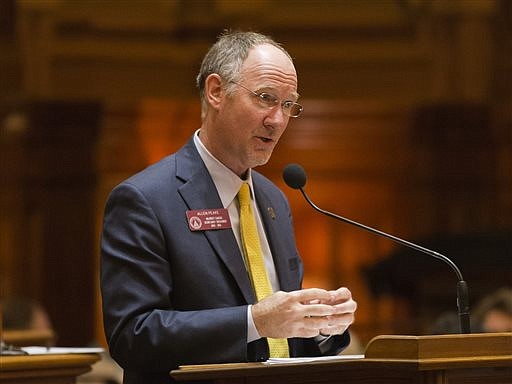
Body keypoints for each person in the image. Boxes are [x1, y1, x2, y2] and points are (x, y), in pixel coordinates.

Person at [100, 30, 357, 384]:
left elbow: (285, 345)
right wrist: (254, 321)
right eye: (266, 98)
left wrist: (319, 325)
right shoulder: (144, 200)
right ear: (216, 91)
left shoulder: (274, 201)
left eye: (287, 105)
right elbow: (133, 335)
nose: (277, 120)